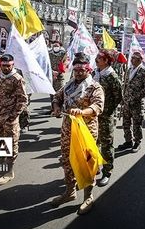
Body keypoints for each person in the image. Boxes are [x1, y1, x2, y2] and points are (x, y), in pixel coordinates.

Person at [51, 53, 104, 215]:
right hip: (67, 131)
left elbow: (97, 107)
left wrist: (82, 112)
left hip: (85, 131)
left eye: (82, 69)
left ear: (88, 69)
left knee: (87, 164)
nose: (79, 72)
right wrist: (56, 108)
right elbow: (57, 98)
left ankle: (88, 197)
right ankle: (70, 192)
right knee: (67, 161)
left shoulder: (94, 87)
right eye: (76, 70)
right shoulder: (68, 85)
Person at [0, 54, 28, 185]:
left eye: (8, 66)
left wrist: (13, 116)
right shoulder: (0, 76)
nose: (6, 68)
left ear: (13, 65)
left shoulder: (17, 79)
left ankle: (9, 172)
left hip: (9, 118)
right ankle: (1, 166)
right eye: (3, 66)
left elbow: (23, 100)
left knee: (10, 144)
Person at [94, 49, 122, 187]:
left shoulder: (112, 77)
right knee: (93, 144)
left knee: (106, 146)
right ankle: (95, 168)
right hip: (93, 115)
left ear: (106, 61)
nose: (96, 59)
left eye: (99, 58)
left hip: (105, 117)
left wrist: (107, 111)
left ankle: (107, 172)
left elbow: (118, 97)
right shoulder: (96, 73)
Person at [118, 51, 145, 152]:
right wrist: (123, 98)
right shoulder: (129, 70)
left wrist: (136, 97)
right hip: (127, 102)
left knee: (137, 124)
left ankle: (137, 142)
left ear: (139, 60)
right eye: (131, 57)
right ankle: (128, 141)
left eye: (133, 58)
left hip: (136, 103)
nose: (131, 59)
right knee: (126, 123)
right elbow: (126, 85)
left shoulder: (144, 72)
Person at [49, 41, 68, 115]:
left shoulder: (63, 54)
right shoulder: (49, 53)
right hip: (51, 76)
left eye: (57, 45)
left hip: (59, 77)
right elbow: (46, 64)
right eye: (54, 45)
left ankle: (59, 110)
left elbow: (65, 64)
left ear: (60, 46)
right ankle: (53, 109)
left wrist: (58, 72)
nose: (55, 47)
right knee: (51, 93)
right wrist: (52, 72)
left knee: (59, 93)